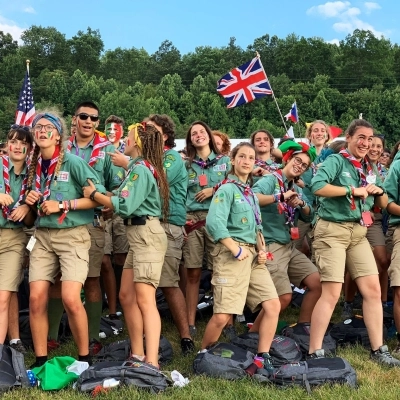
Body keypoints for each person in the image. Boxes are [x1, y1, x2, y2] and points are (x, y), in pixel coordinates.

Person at [308, 119, 400, 366]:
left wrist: (379, 193)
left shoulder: (368, 167)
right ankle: (314, 352)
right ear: (348, 137)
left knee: (372, 290)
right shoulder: (336, 161)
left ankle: (378, 350)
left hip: (358, 232)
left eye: (369, 139)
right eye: (361, 137)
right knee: (331, 292)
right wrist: (351, 190)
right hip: (332, 231)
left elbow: (382, 204)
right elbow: (316, 186)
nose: (366, 143)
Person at [25, 110, 106, 368]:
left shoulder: (72, 162)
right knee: (36, 297)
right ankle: (40, 361)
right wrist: (29, 202)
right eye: (37, 127)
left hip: (72, 236)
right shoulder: (32, 165)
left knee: (71, 297)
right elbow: (29, 213)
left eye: (47, 127)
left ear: (58, 135)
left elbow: (97, 197)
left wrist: (63, 205)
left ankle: (84, 359)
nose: (41, 131)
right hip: (42, 236)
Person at [83, 123, 168, 367]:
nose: (125, 142)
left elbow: (126, 205)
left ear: (138, 143)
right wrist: (108, 200)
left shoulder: (140, 169)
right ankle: (138, 354)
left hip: (146, 236)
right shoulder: (138, 168)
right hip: (138, 237)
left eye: (128, 138)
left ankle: (151, 362)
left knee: (145, 299)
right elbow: (123, 199)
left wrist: (93, 195)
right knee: (126, 295)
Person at [47, 101, 124, 354]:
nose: (89, 121)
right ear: (75, 120)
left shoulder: (106, 152)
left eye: (94, 118)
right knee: (58, 278)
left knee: (91, 278)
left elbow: (115, 188)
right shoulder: (60, 149)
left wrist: (107, 204)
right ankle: (52, 334)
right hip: (58, 223)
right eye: (84, 116)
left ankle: (91, 337)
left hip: (90, 222)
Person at [202, 142, 280, 372]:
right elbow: (213, 223)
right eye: (242, 156)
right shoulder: (226, 189)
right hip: (232, 254)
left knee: (273, 304)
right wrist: (234, 248)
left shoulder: (249, 193)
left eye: (251, 158)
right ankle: (203, 355)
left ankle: (262, 356)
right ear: (233, 160)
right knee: (223, 314)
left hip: (253, 255)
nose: (246, 161)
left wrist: (262, 249)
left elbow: (256, 226)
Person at [251, 140, 321, 327]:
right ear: (288, 159)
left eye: (304, 165)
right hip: (271, 244)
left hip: (289, 246)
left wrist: (302, 205)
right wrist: (279, 197)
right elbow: (252, 198)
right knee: (283, 297)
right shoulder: (270, 179)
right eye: (297, 161)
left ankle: (302, 326)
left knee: (316, 283)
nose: (299, 166)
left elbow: (310, 217)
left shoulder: (296, 187)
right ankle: (254, 335)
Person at [146, 114, 194, 355]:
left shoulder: (171, 157)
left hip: (167, 224)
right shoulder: (148, 158)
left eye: (152, 130)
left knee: (168, 283)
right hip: (150, 223)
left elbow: (156, 183)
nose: (146, 133)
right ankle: (148, 330)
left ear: (165, 135)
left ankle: (185, 336)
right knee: (145, 284)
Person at [183, 121, 231, 337]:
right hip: (193, 221)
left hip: (218, 220)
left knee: (219, 272)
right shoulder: (186, 165)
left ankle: (226, 321)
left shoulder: (225, 162)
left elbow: (237, 183)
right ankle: (190, 323)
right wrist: (181, 215)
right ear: (190, 139)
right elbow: (178, 193)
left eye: (202, 131)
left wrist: (215, 188)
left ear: (209, 136)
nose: (198, 135)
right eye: (194, 133)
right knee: (192, 272)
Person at [342, 135, 389, 318]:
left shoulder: (383, 172)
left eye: (379, 146)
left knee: (383, 261)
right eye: (372, 145)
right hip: (354, 219)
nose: (375, 149)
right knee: (353, 265)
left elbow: (385, 200)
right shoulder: (355, 166)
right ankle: (348, 302)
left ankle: (382, 302)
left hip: (374, 220)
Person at [0, 125, 34, 348]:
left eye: (23, 143)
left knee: (5, 294)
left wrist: (26, 210)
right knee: (6, 292)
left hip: (14, 238)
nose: (18, 146)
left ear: (30, 148)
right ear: (7, 145)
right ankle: (13, 339)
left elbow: (32, 221)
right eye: (14, 141)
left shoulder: (33, 177)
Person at [101, 115, 130, 318]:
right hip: (101, 206)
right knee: (103, 259)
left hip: (121, 208)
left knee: (121, 257)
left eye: (116, 129)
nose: (112, 132)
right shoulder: (99, 150)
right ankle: (109, 304)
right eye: (108, 129)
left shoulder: (128, 151)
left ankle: (122, 299)